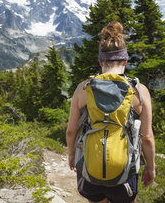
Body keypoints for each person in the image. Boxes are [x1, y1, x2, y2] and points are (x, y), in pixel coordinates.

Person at [66, 21, 156, 203]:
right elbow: (147, 137)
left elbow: (71, 131)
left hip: (91, 165)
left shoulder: (83, 88)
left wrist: (71, 155)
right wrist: (151, 167)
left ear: (101, 62)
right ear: (125, 61)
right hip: (124, 172)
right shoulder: (139, 91)